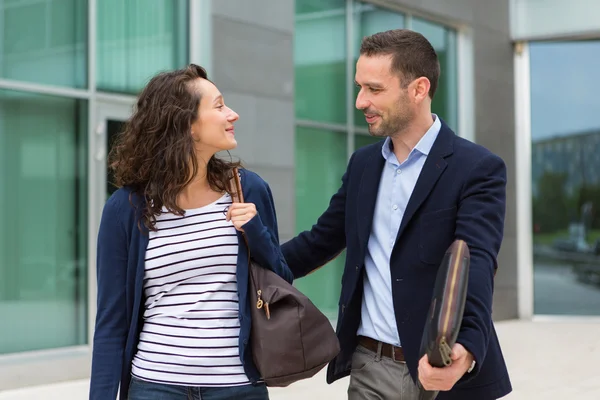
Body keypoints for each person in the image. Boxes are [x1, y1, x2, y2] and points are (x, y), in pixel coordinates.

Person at [281, 29, 512, 400]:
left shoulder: (476, 168)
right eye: (359, 87)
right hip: (370, 367)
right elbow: (318, 242)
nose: (360, 101)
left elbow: (477, 262)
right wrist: (246, 262)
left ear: (418, 89)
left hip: (442, 374)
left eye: (374, 89)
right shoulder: (363, 165)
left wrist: (465, 349)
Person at [90, 64, 292, 400]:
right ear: (188, 126)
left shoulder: (248, 189)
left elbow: (282, 283)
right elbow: (112, 321)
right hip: (155, 386)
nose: (233, 114)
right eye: (219, 106)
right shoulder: (126, 207)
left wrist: (255, 231)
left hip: (237, 387)